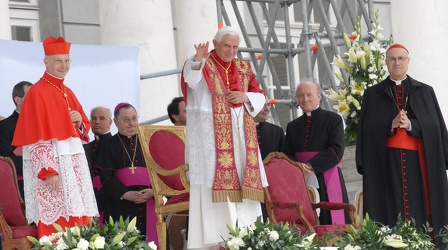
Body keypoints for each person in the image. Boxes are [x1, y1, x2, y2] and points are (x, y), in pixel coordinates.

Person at [181, 26, 268, 249]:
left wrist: (245, 95)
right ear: (216, 43)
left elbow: (260, 95)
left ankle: (248, 238)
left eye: (235, 46)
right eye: (227, 45)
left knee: (244, 191)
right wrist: (197, 59)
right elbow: (190, 81)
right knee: (213, 189)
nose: (231, 50)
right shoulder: (203, 63)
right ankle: (216, 241)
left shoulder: (244, 66)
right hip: (212, 143)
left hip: (241, 139)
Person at [356, 43, 448, 248]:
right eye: (392, 59)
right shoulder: (373, 94)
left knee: (420, 207)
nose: (396, 62)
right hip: (387, 164)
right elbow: (366, 130)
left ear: (408, 61)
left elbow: (435, 127)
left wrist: (412, 125)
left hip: (418, 163)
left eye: (400, 58)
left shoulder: (425, 91)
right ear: (386, 63)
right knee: (390, 209)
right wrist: (389, 125)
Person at [12, 36, 98, 238]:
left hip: (73, 169)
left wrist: (78, 123)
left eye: (67, 61)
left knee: (80, 222)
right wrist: (47, 171)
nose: (64, 65)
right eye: (59, 61)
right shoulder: (36, 92)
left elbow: (84, 129)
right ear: (46, 62)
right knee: (58, 227)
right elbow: (35, 136)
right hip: (54, 171)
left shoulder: (67, 91)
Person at [282, 79, 350, 225]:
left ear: (319, 96)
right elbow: (286, 153)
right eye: (300, 96)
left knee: (329, 218)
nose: (305, 99)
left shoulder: (333, 119)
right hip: (300, 177)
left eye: (309, 94)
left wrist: (311, 165)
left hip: (326, 175)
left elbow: (336, 150)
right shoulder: (292, 126)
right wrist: (298, 166)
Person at [96, 102, 158, 247]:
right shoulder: (108, 145)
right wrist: (124, 193)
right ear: (116, 122)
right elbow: (106, 177)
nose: (131, 123)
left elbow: (160, 173)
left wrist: (153, 191)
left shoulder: (149, 142)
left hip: (148, 200)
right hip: (120, 203)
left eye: (134, 118)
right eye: (126, 120)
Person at [0, 80, 33, 200]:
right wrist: (35, 162)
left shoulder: (42, 124)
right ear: (18, 100)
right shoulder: (5, 126)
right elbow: (5, 160)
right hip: (20, 187)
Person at [83, 106, 113, 220]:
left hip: (108, 195)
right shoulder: (87, 146)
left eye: (102, 118)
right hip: (90, 195)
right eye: (94, 118)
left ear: (110, 122)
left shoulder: (114, 144)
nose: (97, 122)